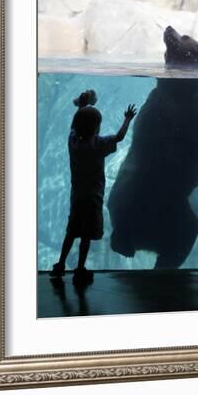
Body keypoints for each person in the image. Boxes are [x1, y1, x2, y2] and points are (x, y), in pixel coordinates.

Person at [50, 100, 137, 285]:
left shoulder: (72, 142)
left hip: (77, 197)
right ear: (97, 127)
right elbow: (119, 137)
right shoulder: (98, 145)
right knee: (86, 236)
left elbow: (75, 126)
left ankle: (60, 265)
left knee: (71, 232)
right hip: (93, 199)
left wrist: (82, 106)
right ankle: (80, 269)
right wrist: (128, 119)